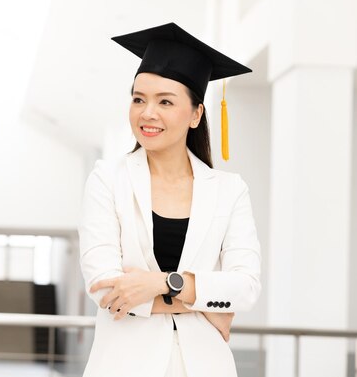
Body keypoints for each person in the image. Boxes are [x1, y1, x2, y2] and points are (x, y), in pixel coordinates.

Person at [78, 22, 262, 377]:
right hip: (123, 364)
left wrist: (161, 283)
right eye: (138, 99)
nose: (148, 113)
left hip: (205, 365)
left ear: (196, 114)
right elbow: (105, 288)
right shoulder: (107, 179)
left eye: (165, 101)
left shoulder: (229, 189)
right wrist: (205, 302)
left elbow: (246, 287)